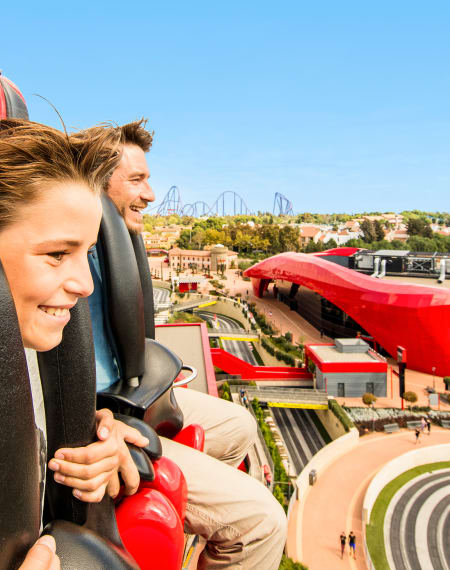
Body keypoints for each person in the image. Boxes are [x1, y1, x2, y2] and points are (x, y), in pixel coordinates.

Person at [81, 119, 287, 569]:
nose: (151, 195)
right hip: (108, 416)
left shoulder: (113, 245)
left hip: (133, 395)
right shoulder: (75, 256)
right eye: (136, 180)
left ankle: (193, 523)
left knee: (240, 427)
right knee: (264, 523)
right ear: (97, 181)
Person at [0, 119, 149, 566]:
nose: (85, 284)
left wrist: (98, 434)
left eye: (85, 254)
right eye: (55, 255)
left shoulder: (32, 359)